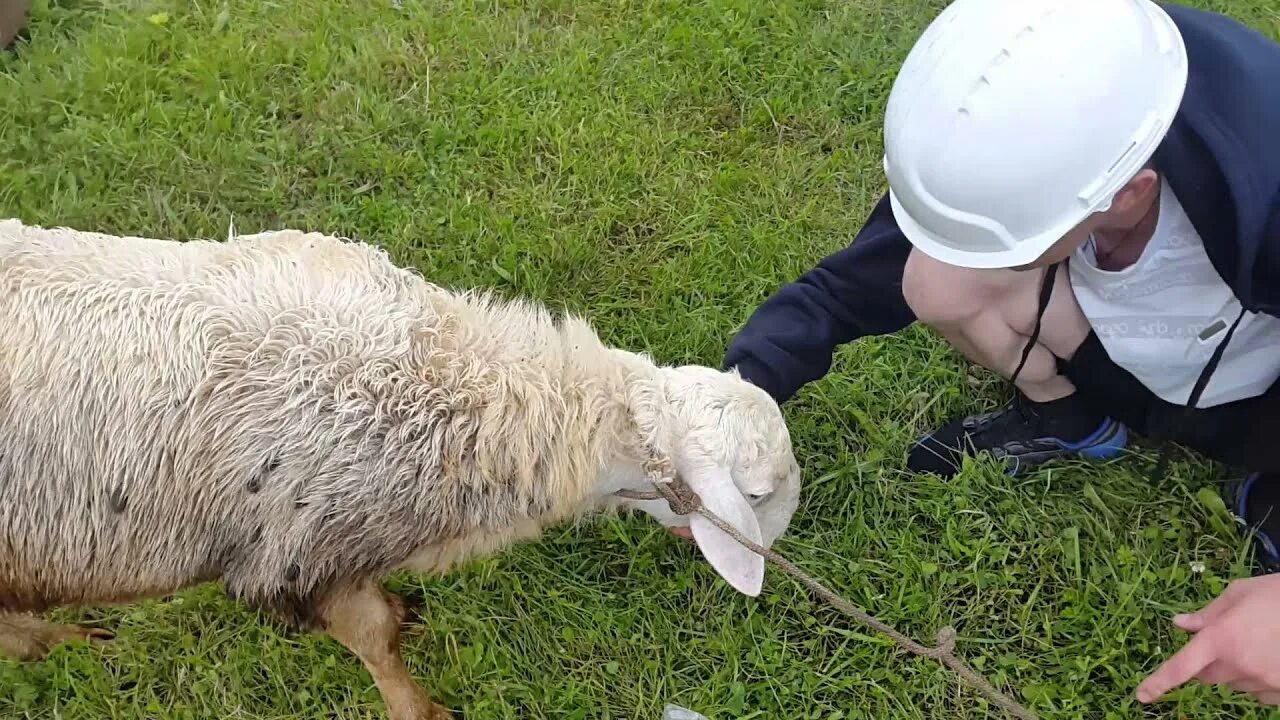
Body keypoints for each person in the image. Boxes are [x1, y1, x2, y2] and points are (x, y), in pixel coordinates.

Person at [722, 0, 1280, 707]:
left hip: (1257, 400)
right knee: (935, 277)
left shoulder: (1265, 186)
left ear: (1131, 192)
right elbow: (850, 286)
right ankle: (1073, 420)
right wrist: (731, 400)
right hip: (1131, 356)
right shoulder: (1043, 100)